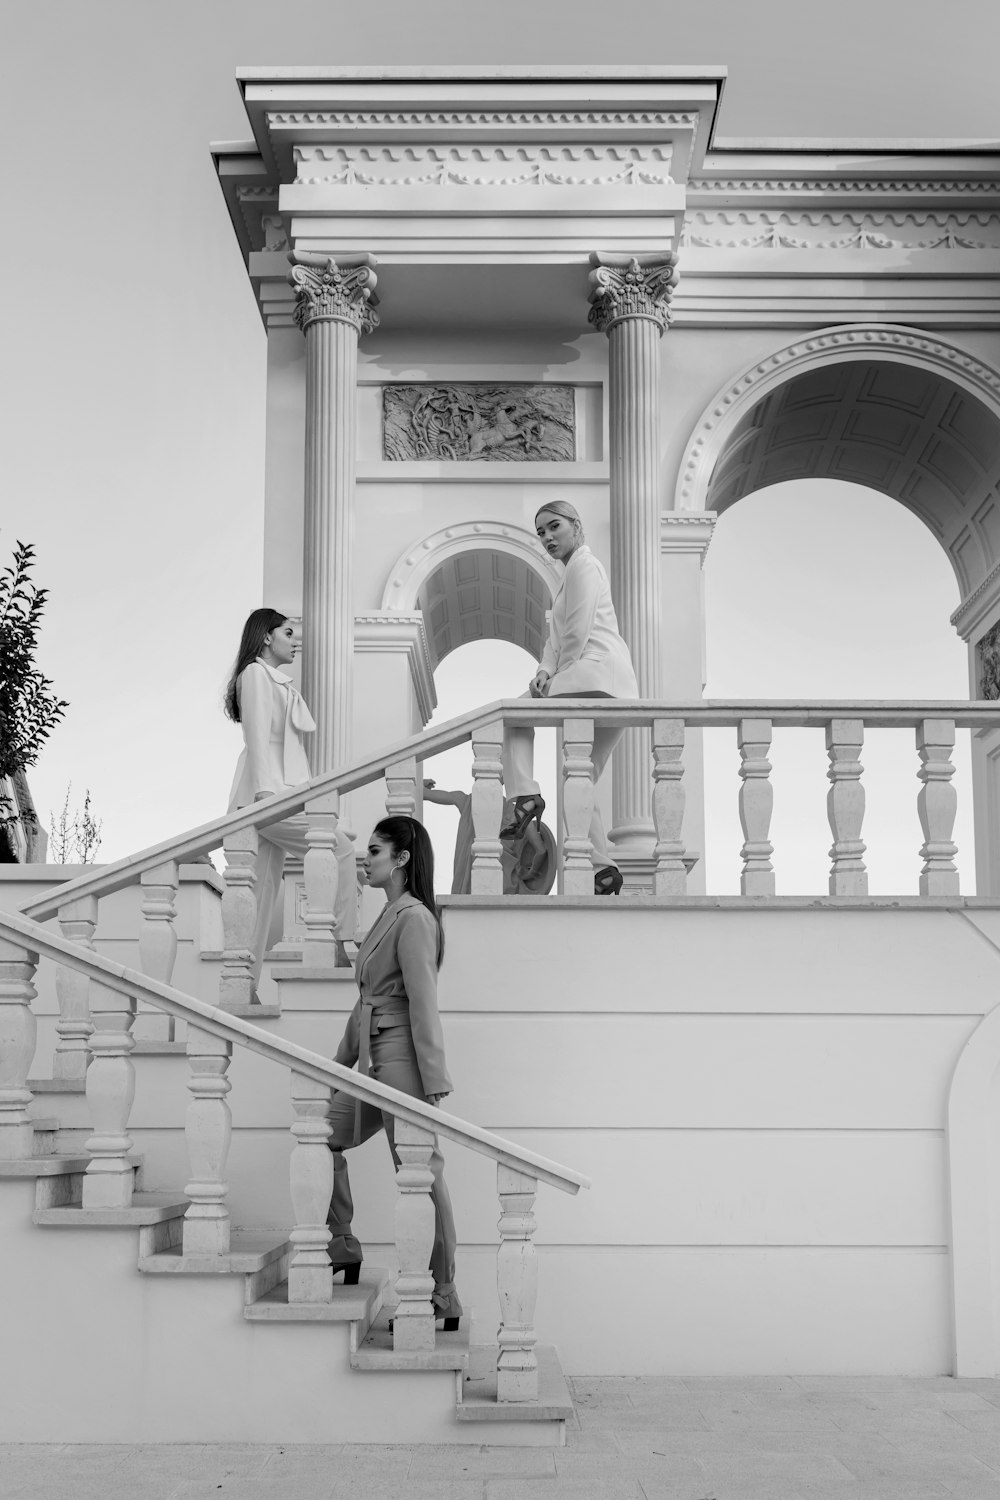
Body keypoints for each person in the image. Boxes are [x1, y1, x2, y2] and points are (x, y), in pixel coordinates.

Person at [326, 815, 463, 1330]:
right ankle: (341, 1242)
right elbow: (366, 1003)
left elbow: (423, 1002)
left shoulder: (414, 919)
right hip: (369, 1062)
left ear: (402, 859)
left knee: (422, 1179)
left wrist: (433, 1079)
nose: (367, 858)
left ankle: (444, 1293)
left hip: (403, 1064)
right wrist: (339, 1063)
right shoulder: (385, 916)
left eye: (377, 851)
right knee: (319, 1136)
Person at [501, 500, 639, 896]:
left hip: (593, 672)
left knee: (511, 716)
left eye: (553, 527)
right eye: (541, 532)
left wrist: (555, 675)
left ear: (576, 526)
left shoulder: (584, 565)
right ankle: (602, 867)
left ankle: (524, 796)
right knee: (581, 778)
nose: (546, 537)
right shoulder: (570, 574)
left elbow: (576, 633)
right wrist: (544, 670)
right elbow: (556, 639)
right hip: (613, 685)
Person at [224, 608, 357, 987]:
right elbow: (256, 738)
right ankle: (338, 940)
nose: (295, 640)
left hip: (280, 796)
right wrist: (267, 793)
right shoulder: (254, 674)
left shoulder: (277, 681)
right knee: (341, 849)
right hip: (265, 797)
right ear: (266, 637)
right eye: (288, 632)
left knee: (262, 898)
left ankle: (241, 986)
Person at [422, 778, 556, 895]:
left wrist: (421, 785)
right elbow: (541, 850)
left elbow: (423, 794)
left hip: (472, 883)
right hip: (503, 882)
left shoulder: (465, 800)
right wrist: (530, 872)